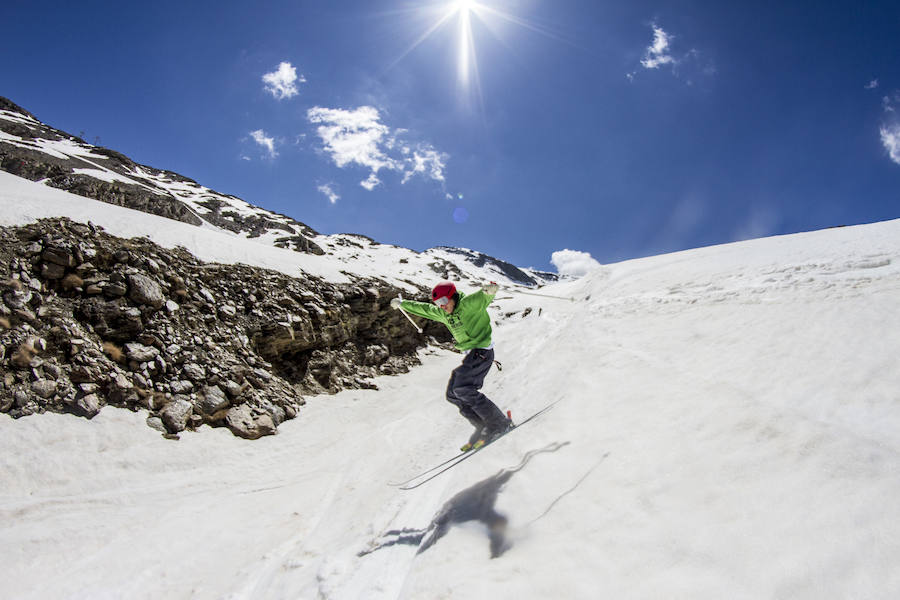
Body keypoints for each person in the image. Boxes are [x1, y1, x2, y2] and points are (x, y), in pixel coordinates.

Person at [391, 281, 512, 451]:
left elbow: (483, 297)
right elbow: (423, 309)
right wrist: (403, 304)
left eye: (443, 302)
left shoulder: (468, 305)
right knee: (453, 395)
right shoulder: (444, 314)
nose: (441, 307)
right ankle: (484, 426)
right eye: (437, 304)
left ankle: (499, 423)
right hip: (471, 354)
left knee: (463, 389)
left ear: (453, 296)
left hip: (482, 351)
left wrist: (489, 291)